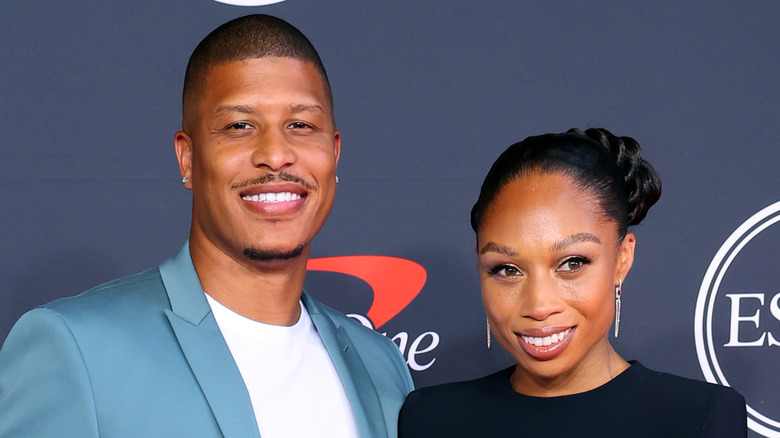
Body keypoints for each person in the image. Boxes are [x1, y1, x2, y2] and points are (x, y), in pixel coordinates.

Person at [0, 14, 412, 438]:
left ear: (335, 153)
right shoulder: (75, 348)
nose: (275, 154)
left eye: (301, 125)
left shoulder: (380, 363)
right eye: (239, 126)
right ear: (188, 158)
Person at [398, 128, 746, 437]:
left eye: (572, 264)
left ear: (622, 259)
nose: (538, 306)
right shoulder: (431, 420)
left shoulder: (699, 419)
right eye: (507, 269)